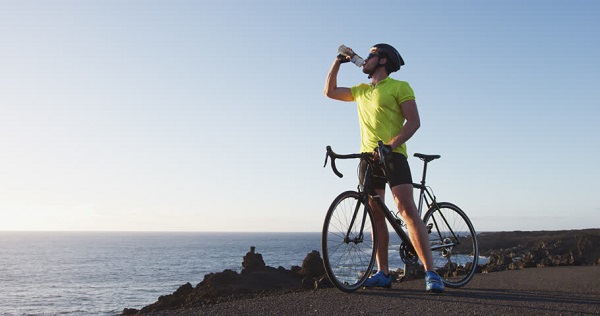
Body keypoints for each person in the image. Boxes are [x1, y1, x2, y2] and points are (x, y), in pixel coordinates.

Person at [323, 43, 444, 293]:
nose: (364, 59)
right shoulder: (361, 91)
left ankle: (431, 273)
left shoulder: (400, 87)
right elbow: (330, 91)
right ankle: (383, 273)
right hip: (368, 159)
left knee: (406, 209)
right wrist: (337, 62)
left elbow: (414, 122)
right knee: (376, 213)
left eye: (371, 55)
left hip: (393, 155)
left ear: (383, 61)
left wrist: (391, 145)